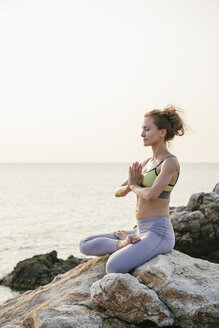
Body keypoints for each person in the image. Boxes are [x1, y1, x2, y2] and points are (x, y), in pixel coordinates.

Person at [79, 104, 185, 273]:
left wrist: (134, 185)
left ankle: (126, 243)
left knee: (113, 266)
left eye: (147, 129)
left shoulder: (170, 163)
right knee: (84, 244)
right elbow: (118, 192)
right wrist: (130, 185)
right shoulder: (145, 163)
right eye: (142, 129)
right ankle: (123, 242)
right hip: (139, 229)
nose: (142, 134)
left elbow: (151, 195)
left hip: (158, 233)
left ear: (162, 132)